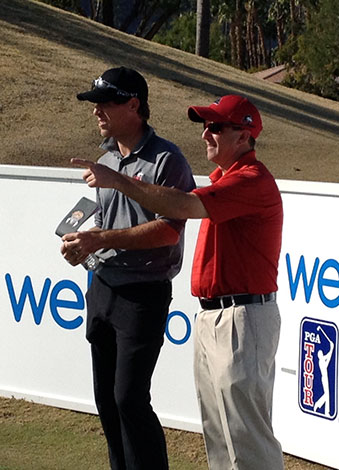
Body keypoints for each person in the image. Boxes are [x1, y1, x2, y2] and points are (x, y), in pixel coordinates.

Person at [71, 94, 284, 470]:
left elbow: (182, 208)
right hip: (217, 316)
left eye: (217, 127)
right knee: (221, 437)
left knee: (246, 439)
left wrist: (118, 180)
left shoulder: (251, 179)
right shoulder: (224, 179)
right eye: (205, 126)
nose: (206, 135)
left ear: (245, 135)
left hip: (241, 317)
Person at [60, 66, 196, 470]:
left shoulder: (166, 159)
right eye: (95, 103)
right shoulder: (105, 158)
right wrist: (83, 244)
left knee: (129, 399)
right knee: (106, 400)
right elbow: (103, 221)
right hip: (102, 286)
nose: (97, 110)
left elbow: (169, 231)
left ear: (134, 105)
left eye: (107, 102)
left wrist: (101, 240)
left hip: (143, 293)